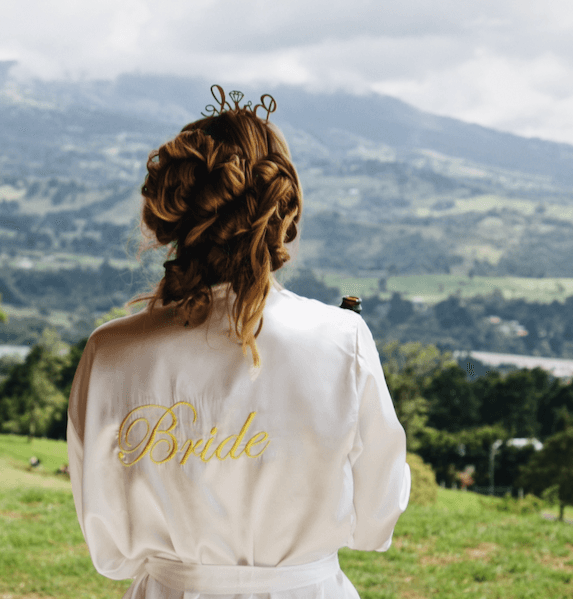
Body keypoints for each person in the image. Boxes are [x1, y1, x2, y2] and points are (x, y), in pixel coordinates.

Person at [67, 85, 411, 599]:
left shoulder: (111, 353)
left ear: (175, 211)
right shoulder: (345, 342)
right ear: (283, 212)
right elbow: (376, 520)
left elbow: (111, 552)